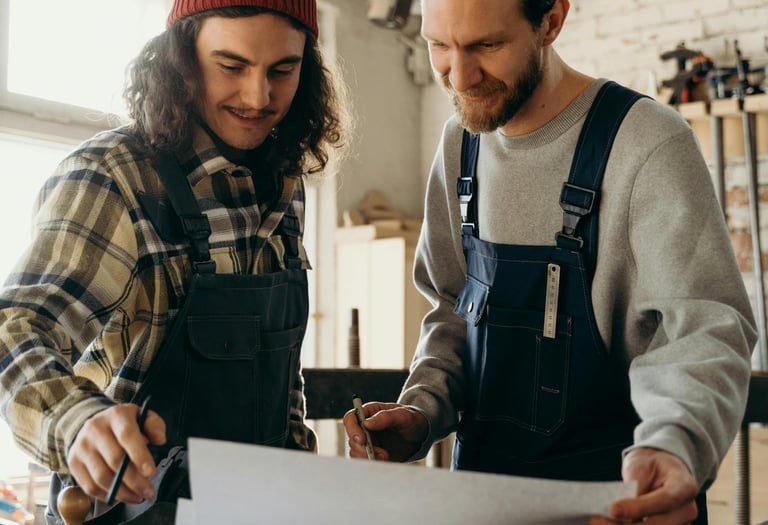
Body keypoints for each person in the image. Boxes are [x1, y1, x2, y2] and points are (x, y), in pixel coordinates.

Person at [343, 1, 756, 524]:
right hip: (482, 505)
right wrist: (422, 409)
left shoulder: (646, 143)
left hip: (618, 506)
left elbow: (703, 330)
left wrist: (675, 446)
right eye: (439, 45)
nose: (460, 78)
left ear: (552, 21)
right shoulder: (460, 145)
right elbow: (453, 309)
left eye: (487, 45)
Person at [0, 0, 349, 522]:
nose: (259, 97)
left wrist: (302, 476)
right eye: (231, 66)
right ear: (181, 58)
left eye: (282, 70)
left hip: (261, 509)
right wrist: (76, 421)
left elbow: (280, 381)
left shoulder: (284, 183)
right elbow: (15, 327)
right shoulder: (114, 177)